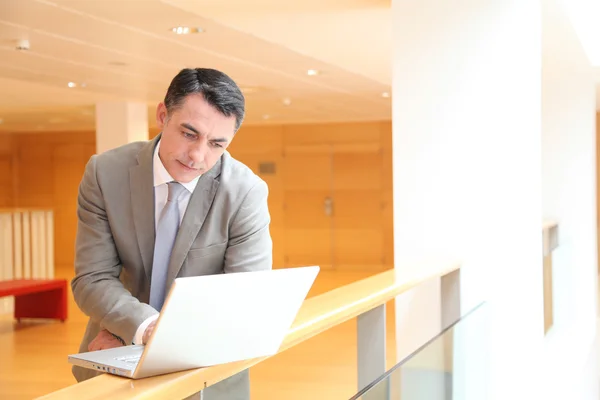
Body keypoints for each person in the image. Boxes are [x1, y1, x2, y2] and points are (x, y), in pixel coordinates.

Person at [70, 67, 273, 400]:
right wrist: (138, 330)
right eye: (189, 133)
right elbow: (91, 278)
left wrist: (156, 340)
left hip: (207, 374)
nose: (198, 156)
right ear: (163, 114)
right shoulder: (105, 173)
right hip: (114, 361)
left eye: (216, 144)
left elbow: (243, 298)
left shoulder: (245, 191)